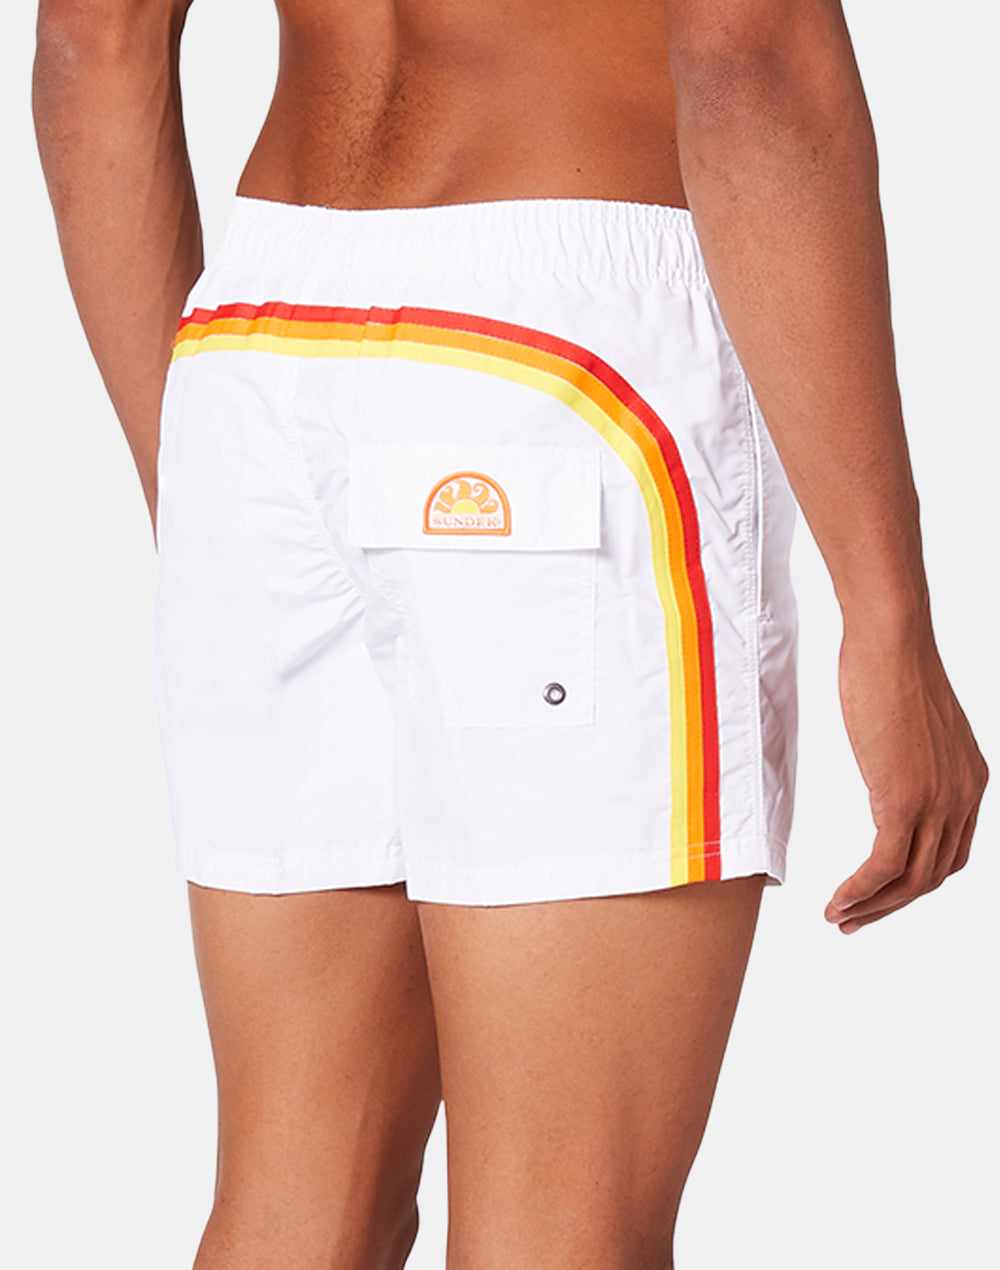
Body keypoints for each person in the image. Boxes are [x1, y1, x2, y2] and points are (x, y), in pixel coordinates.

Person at [32, 0, 988, 1266]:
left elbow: (89, 41)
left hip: (257, 341)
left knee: (293, 1205)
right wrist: (888, 613)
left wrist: (220, 507)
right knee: (563, 1225)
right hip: (555, 352)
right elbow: (744, 45)